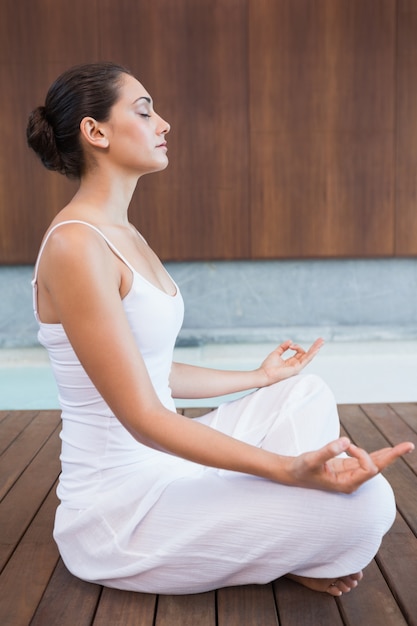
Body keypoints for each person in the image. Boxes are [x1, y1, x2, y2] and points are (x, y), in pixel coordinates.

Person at [27, 62, 413, 597]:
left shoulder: (122, 232)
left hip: (168, 464)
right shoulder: (76, 246)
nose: (164, 124)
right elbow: (142, 416)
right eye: (144, 112)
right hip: (121, 511)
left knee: (302, 391)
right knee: (372, 506)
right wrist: (286, 469)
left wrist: (256, 377)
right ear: (96, 132)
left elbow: (154, 370)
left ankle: (292, 537)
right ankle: (298, 536)